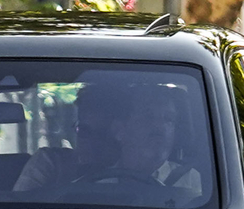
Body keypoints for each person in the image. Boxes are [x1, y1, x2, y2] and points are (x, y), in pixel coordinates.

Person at [15, 83, 208, 195]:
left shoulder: (196, 184)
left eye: (169, 120)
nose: (159, 127)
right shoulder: (88, 185)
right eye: (148, 117)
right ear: (120, 131)